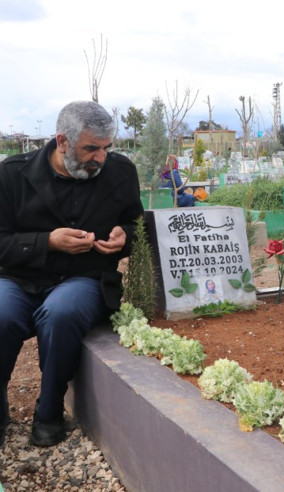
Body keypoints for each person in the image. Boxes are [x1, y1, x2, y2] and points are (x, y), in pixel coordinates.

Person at [0, 101, 144, 447]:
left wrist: (124, 237)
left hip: (85, 277)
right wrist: (47, 242)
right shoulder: (11, 174)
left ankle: (49, 411)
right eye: (91, 149)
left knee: (61, 314)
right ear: (62, 141)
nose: (101, 158)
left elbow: (137, 227)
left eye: (106, 148)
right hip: (17, 278)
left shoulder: (121, 172)